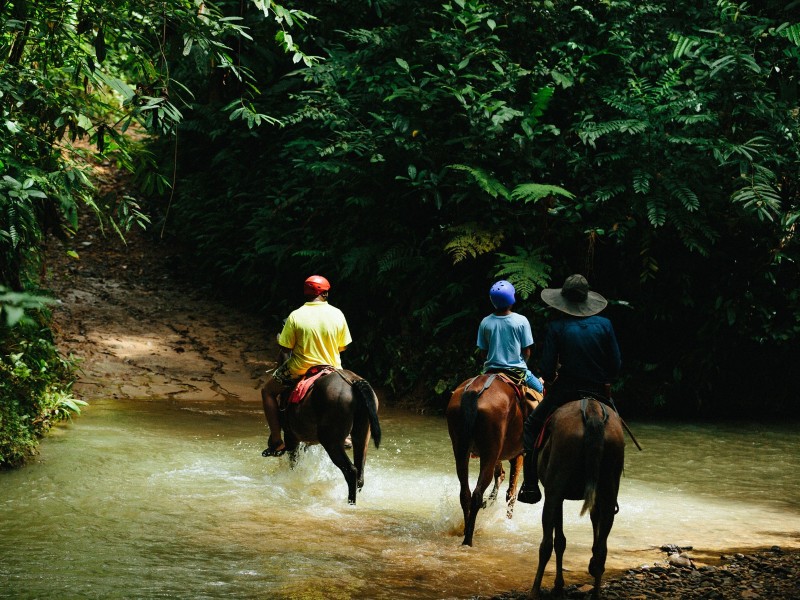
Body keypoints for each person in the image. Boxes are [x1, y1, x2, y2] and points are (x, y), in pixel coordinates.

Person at [516, 274, 621, 504]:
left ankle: (531, 485)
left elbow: (546, 368)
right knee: (617, 431)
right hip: (598, 392)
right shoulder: (605, 325)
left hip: (565, 391)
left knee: (532, 426)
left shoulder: (557, 326)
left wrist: (552, 377)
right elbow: (615, 366)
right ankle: (611, 495)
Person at [260, 275, 352, 457]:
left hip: (299, 368)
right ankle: (347, 434)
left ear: (306, 292)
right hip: (332, 368)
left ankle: (277, 440)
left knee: (267, 392)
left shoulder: (295, 316)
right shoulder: (337, 313)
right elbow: (343, 346)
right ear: (325, 293)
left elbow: (285, 347)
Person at [476, 280, 544, 395]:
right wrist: (523, 364)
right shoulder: (521, 320)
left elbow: (483, 352)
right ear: (512, 299)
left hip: (490, 371)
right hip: (518, 371)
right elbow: (527, 351)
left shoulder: (485, 322)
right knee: (541, 390)